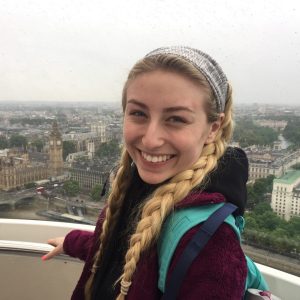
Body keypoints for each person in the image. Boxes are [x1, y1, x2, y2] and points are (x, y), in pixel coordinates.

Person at [43, 46, 250, 300]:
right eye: (139, 113)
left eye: (176, 119)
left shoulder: (210, 242)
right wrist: (73, 242)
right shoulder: (138, 188)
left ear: (213, 129)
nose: (151, 140)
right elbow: (125, 254)